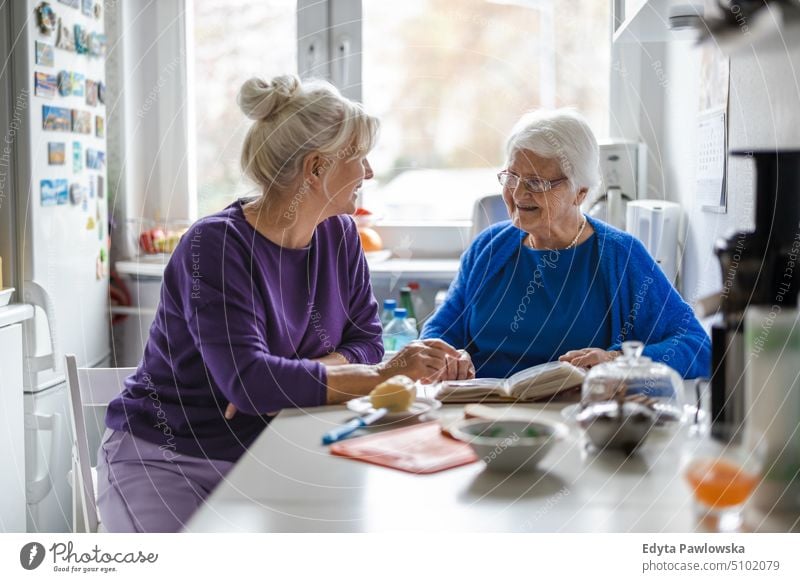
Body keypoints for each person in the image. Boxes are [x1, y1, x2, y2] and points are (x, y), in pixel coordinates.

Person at [97, 75, 473, 533]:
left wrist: (285, 379)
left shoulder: (340, 236)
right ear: (316, 169)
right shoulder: (215, 246)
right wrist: (379, 377)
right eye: (358, 157)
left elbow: (366, 341)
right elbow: (254, 386)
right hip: (168, 460)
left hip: (269, 449)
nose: (369, 172)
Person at [421, 108, 710, 379]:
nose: (518, 193)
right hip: (481, 412)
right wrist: (447, 356)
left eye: (536, 183)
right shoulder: (490, 246)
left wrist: (617, 361)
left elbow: (698, 346)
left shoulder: (620, 255)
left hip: (574, 419)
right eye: (512, 177)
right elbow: (440, 330)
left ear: (579, 192)